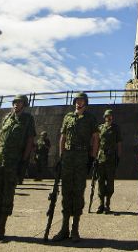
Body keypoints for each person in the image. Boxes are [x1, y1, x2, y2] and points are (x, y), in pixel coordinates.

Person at [0, 94, 36, 241]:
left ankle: (1, 227)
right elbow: (0, 138)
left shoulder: (27, 119)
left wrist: (24, 161)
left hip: (14, 162)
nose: (16, 104)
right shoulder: (7, 118)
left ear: (24, 104)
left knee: (7, 193)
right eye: (15, 102)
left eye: (19, 102)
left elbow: (30, 140)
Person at [51, 92, 99, 243]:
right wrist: (61, 156)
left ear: (85, 102)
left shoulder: (90, 118)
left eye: (82, 100)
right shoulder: (68, 117)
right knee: (66, 191)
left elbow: (95, 138)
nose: (79, 103)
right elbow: (63, 137)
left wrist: (92, 156)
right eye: (77, 100)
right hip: (68, 157)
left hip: (82, 156)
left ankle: (75, 229)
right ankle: (64, 228)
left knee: (78, 192)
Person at [96, 109, 122, 214]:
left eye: (110, 116)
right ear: (104, 117)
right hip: (101, 158)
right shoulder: (100, 128)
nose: (109, 117)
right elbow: (96, 142)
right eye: (107, 116)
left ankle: (107, 204)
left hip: (111, 158)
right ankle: (101, 204)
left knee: (110, 182)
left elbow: (119, 143)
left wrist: (119, 156)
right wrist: (94, 157)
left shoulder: (116, 128)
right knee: (100, 181)